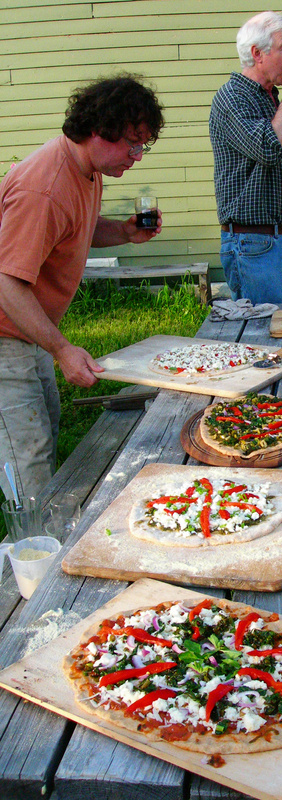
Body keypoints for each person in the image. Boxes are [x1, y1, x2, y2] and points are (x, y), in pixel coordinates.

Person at [0, 74, 164, 501]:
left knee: (45, 433)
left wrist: (125, 233)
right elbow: (6, 281)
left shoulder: (86, 169)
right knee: (27, 462)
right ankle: (26, 558)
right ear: (97, 130)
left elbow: (77, 230)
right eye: (131, 143)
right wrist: (61, 348)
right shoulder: (45, 188)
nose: (137, 156)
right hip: (3, 333)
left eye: (142, 145)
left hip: (25, 330)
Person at [209, 11, 282, 305]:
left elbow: (266, 162)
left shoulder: (269, 96)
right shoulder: (232, 97)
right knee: (263, 339)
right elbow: (268, 148)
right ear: (256, 54)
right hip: (254, 243)